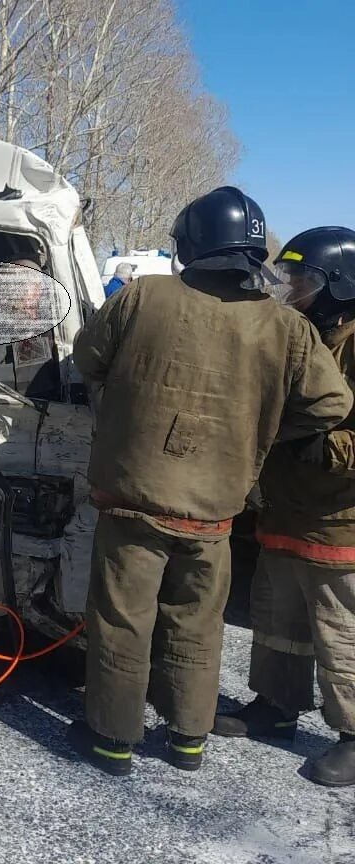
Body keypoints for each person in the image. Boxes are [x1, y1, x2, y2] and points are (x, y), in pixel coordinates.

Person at [69, 186, 353, 777]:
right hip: (216, 513)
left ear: (190, 244)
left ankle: (112, 742)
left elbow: (87, 360)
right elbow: (331, 404)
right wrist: (264, 427)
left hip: (132, 503)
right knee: (197, 623)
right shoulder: (286, 327)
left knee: (124, 621)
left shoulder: (141, 296)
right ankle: (188, 739)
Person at [213, 226, 355, 787]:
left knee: (340, 631)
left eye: (304, 280)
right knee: (279, 620)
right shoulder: (304, 334)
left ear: (341, 285)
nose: (293, 289)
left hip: (339, 519)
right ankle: (275, 706)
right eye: (289, 277)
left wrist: (323, 446)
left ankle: (352, 733)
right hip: (284, 512)